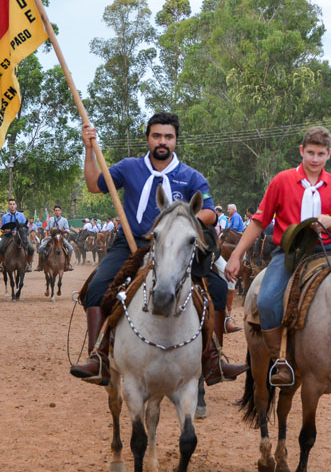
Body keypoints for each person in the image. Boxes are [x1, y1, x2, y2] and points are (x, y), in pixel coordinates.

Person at [69, 112, 247, 386]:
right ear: (148, 139)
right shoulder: (129, 167)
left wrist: (182, 222)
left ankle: (213, 361)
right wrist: (89, 149)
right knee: (96, 288)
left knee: (219, 289)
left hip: (176, 245)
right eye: (157, 136)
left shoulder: (190, 176)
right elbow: (94, 185)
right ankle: (99, 358)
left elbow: (210, 212)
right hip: (132, 243)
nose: (162, 141)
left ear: (175, 140)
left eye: (168, 137)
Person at [225, 126, 331, 386]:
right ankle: (280, 360)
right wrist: (236, 255)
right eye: (311, 153)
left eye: (321, 154)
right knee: (267, 300)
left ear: (329, 155)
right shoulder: (282, 180)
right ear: (302, 151)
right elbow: (259, 220)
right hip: (289, 253)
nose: (315, 159)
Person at [0, 198, 34, 271]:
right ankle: (1, 264)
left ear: (16, 205)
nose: (12, 206)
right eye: (10, 204)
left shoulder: (21, 215)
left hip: (20, 236)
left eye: (13, 204)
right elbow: (1, 229)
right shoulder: (5, 216)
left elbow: (25, 227)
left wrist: (18, 232)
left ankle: (28, 264)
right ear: (8, 206)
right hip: (8, 236)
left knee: (31, 248)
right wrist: (6, 231)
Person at [37, 205, 74, 271]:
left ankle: (67, 264)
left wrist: (61, 231)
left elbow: (67, 230)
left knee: (70, 248)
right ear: (54, 211)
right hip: (51, 237)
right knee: (41, 248)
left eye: (58, 210)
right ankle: (40, 265)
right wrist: (46, 236)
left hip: (60, 237)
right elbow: (47, 229)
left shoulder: (64, 220)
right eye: (56, 210)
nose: (57, 212)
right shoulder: (50, 219)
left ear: (61, 211)